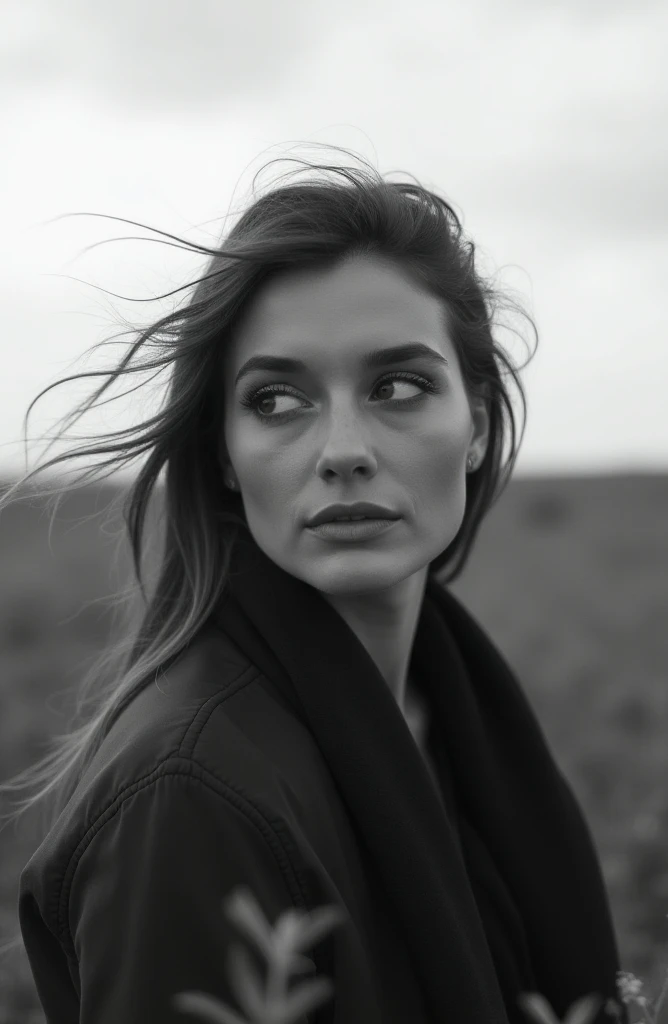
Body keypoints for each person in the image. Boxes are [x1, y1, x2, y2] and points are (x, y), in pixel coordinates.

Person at [0, 148, 627, 1023]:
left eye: (399, 386)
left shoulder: (452, 715)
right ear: (223, 453)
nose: (342, 450)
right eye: (277, 400)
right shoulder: (191, 800)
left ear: (477, 425)